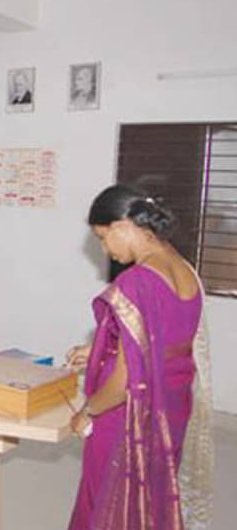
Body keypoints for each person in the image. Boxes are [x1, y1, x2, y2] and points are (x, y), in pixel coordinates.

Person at [66, 185, 213, 529]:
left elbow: (123, 382)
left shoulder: (136, 282)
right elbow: (164, 339)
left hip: (127, 415)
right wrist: (98, 349)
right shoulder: (183, 268)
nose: (105, 249)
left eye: (103, 238)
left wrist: (88, 411)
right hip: (171, 406)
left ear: (123, 226)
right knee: (150, 499)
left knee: (105, 500)